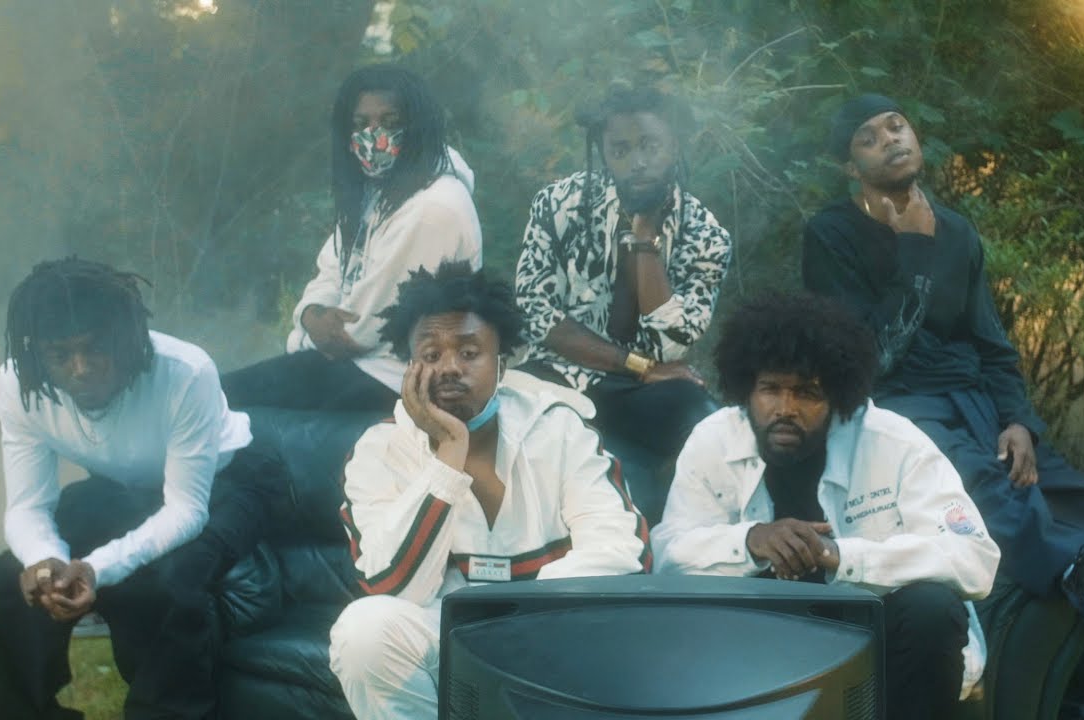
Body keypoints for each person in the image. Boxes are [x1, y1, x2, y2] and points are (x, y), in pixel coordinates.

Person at [802, 93, 1084, 719]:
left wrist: (1019, 421)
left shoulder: (958, 232)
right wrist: (913, 253)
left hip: (977, 404)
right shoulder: (830, 234)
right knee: (989, 488)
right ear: (850, 167)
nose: (891, 139)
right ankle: (1077, 574)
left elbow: (992, 344)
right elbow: (867, 358)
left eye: (896, 125)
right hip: (898, 409)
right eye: (869, 137)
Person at [652, 292, 1001, 720]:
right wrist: (749, 542)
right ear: (746, 389)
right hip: (756, 639)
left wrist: (840, 556)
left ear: (837, 396)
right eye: (770, 389)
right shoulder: (713, 441)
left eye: (807, 393)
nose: (785, 409)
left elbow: (975, 558)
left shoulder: (895, 442)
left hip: (876, 642)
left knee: (931, 607)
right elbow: (667, 558)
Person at [328, 260, 650, 720]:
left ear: (501, 362)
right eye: (431, 355)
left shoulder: (559, 430)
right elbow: (391, 585)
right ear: (409, 367)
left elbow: (623, 551)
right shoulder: (378, 450)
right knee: (362, 632)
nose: (449, 368)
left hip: (550, 634)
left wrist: (520, 618)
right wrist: (448, 456)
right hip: (446, 639)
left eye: (469, 352)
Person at [0, 257, 283, 720]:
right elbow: (27, 507)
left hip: (225, 485)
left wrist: (96, 568)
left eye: (95, 348)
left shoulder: (185, 371)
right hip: (124, 488)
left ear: (125, 337)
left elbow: (186, 510)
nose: (81, 368)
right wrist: (45, 560)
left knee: (165, 584)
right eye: (61, 355)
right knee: (12, 577)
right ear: (38, 353)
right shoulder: (21, 384)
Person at [513, 80, 732, 513]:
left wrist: (645, 242)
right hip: (557, 375)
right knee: (548, 435)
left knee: (702, 419)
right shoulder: (558, 205)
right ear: (603, 153)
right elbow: (536, 315)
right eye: (621, 150)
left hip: (641, 389)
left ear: (674, 145)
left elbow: (672, 345)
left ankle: (682, 524)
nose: (638, 162)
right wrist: (639, 366)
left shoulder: (705, 235)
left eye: (650, 146)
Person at [222, 63, 482, 413]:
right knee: (219, 395)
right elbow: (331, 270)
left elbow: (359, 333)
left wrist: (309, 335)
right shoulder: (380, 191)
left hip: (397, 381)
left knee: (227, 406)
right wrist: (311, 315)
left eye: (390, 122)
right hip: (351, 367)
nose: (373, 136)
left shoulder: (434, 208)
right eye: (361, 124)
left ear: (418, 126)